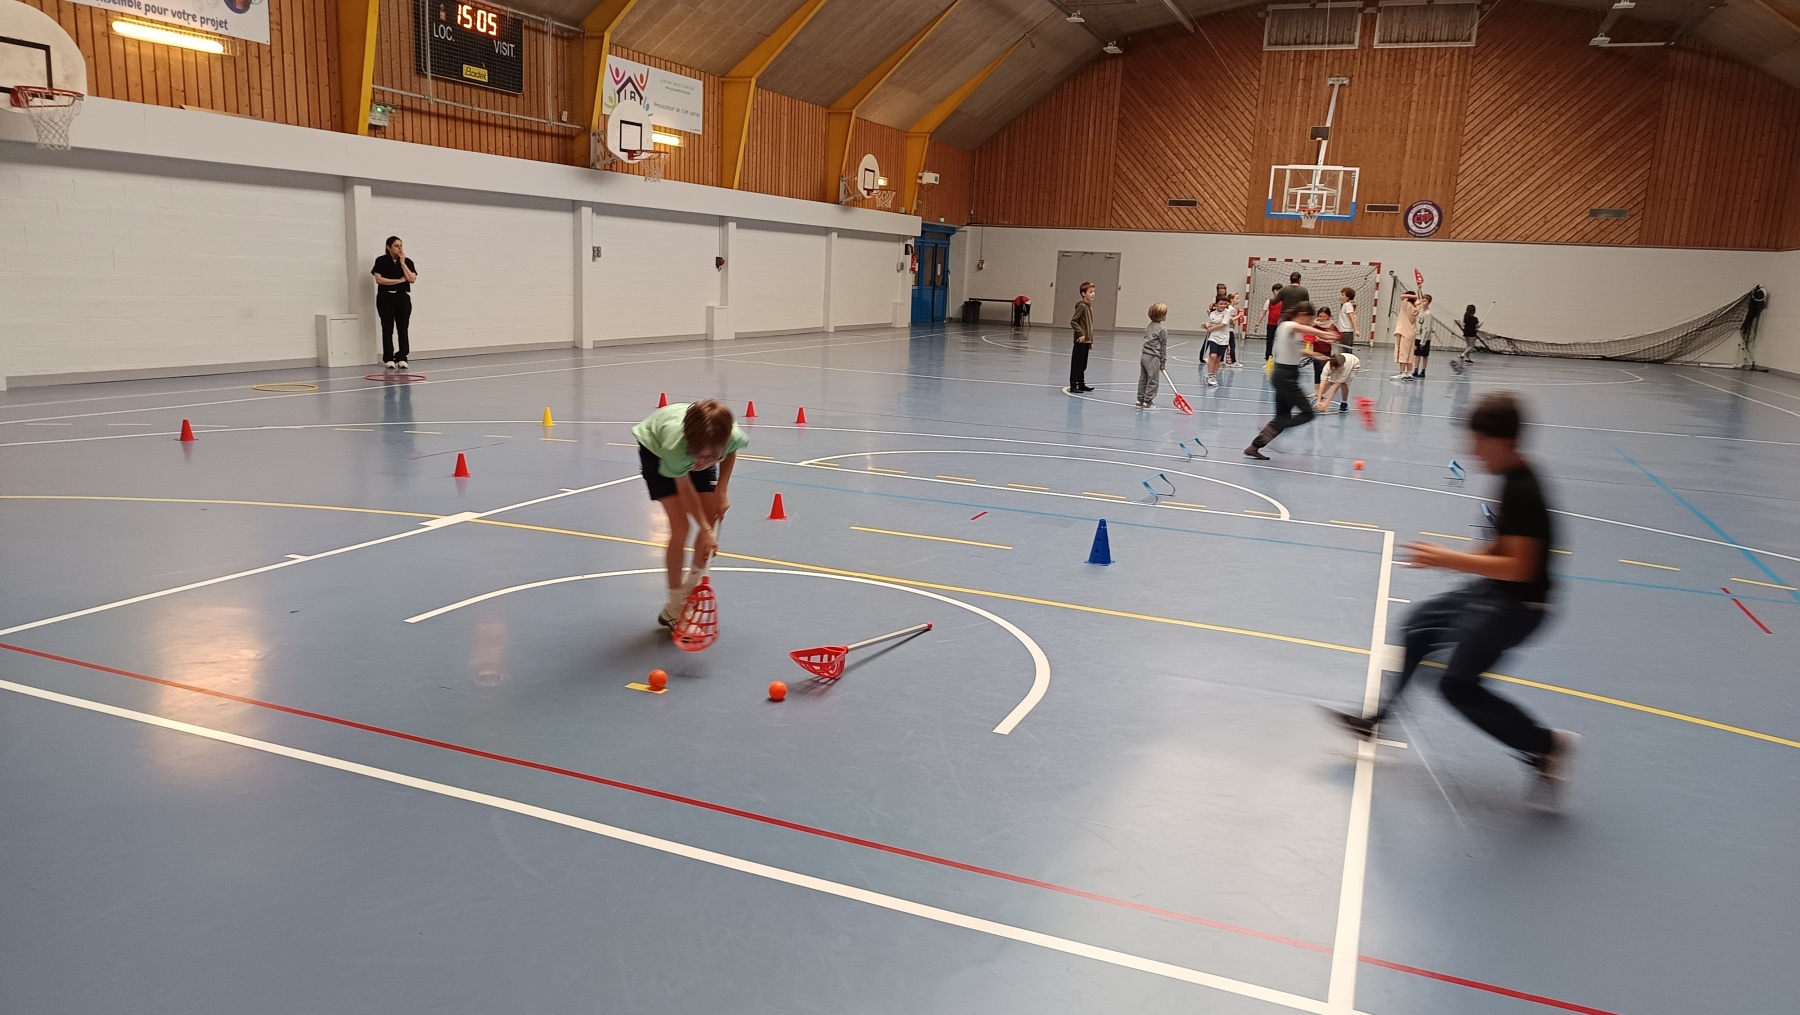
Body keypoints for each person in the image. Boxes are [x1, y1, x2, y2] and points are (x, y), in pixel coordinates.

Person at [1324, 393, 1579, 804]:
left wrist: (1450, 560)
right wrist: (1457, 560)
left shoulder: (1524, 490)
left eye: (1478, 442)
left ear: (1501, 441)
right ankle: (1376, 721)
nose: (1472, 451)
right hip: (1497, 591)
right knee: (1418, 627)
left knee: (1457, 684)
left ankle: (1547, 746)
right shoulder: (1509, 479)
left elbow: (1521, 567)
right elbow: (1502, 547)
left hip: (1521, 606)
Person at [632, 400, 748, 628]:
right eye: (699, 457)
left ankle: (689, 591)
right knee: (681, 527)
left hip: (699, 446)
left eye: (709, 458)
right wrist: (704, 530)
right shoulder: (675, 448)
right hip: (657, 452)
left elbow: (730, 452)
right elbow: (685, 488)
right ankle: (675, 605)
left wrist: (722, 490)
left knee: (712, 517)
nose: (701, 463)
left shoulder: (730, 437)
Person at [1244, 300, 1331, 460]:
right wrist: (1322, 333)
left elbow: (1292, 350)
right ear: (1302, 315)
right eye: (1309, 319)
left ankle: (1254, 447)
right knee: (1307, 413)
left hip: (1286, 375)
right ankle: (1271, 430)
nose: (1310, 322)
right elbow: (1298, 328)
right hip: (1285, 377)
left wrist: (1312, 354)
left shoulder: (1293, 331)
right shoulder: (1287, 325)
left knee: (1282, 417)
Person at [371, 236, 418, 370]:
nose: (400, 248)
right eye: (396, 246)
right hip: (385, 298)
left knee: (402, 328)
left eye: (401, 245)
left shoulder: (407, 262)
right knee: (387, 328)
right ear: (389, 247)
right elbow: (379, 280)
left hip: (402, 298)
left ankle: (402, 357)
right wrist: (398, 281)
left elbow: (411, 279)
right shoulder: (381, 261)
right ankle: (389, 358)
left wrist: (403, 263)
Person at [1136, 303, 1170, 409]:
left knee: (1143, 379)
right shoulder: (1162, 329)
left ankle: (1140, 400)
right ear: (1161, 316)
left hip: (1144, 356)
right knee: (1153, 380)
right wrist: (1163, 362)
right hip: (1152, 357)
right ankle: (1148, 402)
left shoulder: (1149, 327)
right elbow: (1163, 347)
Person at [1069, 282, 1096, 393]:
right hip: (1080, 341)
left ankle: (1081, 384)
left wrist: (1090, 340)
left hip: (1086, 341)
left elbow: (1090, 326)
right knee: (1077, 364)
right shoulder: (1082, 306)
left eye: (1093, 291)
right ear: (1083, 294)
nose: (1093, 294)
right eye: (1090, 292)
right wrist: (1081, 334)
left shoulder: (1089, 307)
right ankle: (1073, 385)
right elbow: (1073, 321)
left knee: (1083, 364)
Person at [1203, 295, 1232, 386]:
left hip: (1224, 339)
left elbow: (1223, 324)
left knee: (1218, 358)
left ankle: (1214, 375)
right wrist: (1206, 325)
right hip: (1214, 338)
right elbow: (1210, 322)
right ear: (1216, 304)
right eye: (1221, 304)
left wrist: (1211, 329)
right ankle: (1210, 375)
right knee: (1213, 356)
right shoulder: (1212, 313)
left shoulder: (1228, 312)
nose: (1223, 306)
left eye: (1225, 304)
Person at [1392, 290, 1420, 380]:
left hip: (1404, 332)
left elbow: (1402, 296)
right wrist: (1417, 296)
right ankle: (1409, 372)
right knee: (1410, 354)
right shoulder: (1416, 307)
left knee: (1403, 353)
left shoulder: (1406, 304)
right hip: (1411, 333)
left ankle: (1402, 372)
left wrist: (1414, 297)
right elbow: (1419, 301)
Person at [1309, 307, 1339, 389]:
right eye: (1320, 316)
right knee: (1317, 371)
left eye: (1324, 316)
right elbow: (1309, 337)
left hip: (1326, 351)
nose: (1322, 318)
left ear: (1329, 316)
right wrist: (1314, 339)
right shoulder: (1315, 326)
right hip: (1316, 351)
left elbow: (1339, 336)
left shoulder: (1331, 326)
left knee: (1325, 371)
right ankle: (1316, 390)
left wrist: (1332, 339)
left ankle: (1322, 390)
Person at [1412, 294, 1435, 378]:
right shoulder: (1419, 311)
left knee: (1424, 355)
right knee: (1417, 354)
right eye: (1423, 300)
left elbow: (1427, 328)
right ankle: (1415, 370)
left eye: (1425, 301)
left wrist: (1423, 341)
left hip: (1425, 338)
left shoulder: (1429, 314)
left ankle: (1423, 371)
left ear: (1429, 303)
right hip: (1418, 336)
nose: (1423, 302)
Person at [1453, 304, 1481, 372]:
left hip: (1466, 333)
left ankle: (1467, 359)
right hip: (1472, 334)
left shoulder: (1466, 318)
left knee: (1468, 346)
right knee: (1471, 346)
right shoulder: (1475, 319)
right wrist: (1480, 325)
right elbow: (1476, 327)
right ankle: (1463, 354)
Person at [1261, 283, 1283, 361]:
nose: (1278, 292)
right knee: (1269, 341)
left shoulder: (1284, 302)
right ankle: (1268, 357)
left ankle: (1280, 358)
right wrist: (1257, 324)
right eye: (1276, 290)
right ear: (1273, 291)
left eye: (1280, 290)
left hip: (1281, 325)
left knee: (1281, 342)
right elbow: (1263, 312)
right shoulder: (1269, 301)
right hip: (1271, 324)